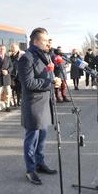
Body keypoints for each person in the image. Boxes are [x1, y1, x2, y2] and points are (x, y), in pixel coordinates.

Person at [18, 27, 58, 185]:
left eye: (48, 40)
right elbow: (28, 83)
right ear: (35, 41)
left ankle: (40, 163)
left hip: (44, 103)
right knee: (31, 138)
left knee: (42, 137)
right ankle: (30, 169)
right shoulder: (26, 58)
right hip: (33, 104)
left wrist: (55, 78)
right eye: (45, 40)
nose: (48, 42)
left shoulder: (44, 55)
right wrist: (50, 83)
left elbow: (48, 74)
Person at [0, 45, 13, 112]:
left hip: (6, 78)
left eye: (3, 49)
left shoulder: (8, 58)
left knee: (8, 93)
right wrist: (1, 71)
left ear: (5, 50)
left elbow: (11, 66)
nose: (2, 50)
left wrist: (7, 71)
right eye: (1, 49)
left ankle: (7, 106)